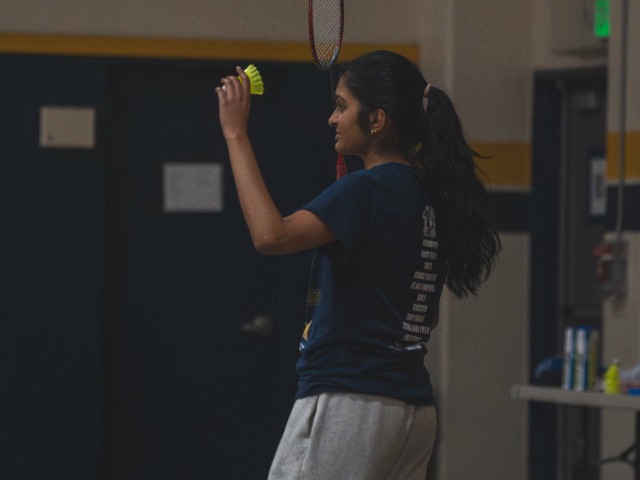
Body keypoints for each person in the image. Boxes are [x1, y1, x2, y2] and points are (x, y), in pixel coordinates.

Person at [216, 50, 501, 480]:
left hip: (351, 403)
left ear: (377, 120)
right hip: (413, 412)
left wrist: (236, 133)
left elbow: (270, 235)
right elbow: (425, 312)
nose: (332, 118)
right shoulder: (429, 196)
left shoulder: (366, 190)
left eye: (342, 106)